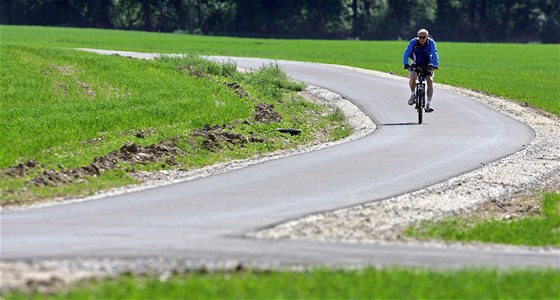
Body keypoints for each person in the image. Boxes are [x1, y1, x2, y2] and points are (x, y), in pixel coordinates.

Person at [403, 29, 439, 112]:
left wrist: (435, 65)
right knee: (413, 76)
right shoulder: (413, 42)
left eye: (424, 37)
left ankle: (428, 104)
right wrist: (406, 64)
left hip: (428, 63)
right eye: (420, 37)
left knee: (430, 80)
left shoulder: (431, 42)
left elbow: (435, 53)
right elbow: (407, 52)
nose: (422, 39)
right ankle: (413, 94)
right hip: (416, 62)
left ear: (427, 36)